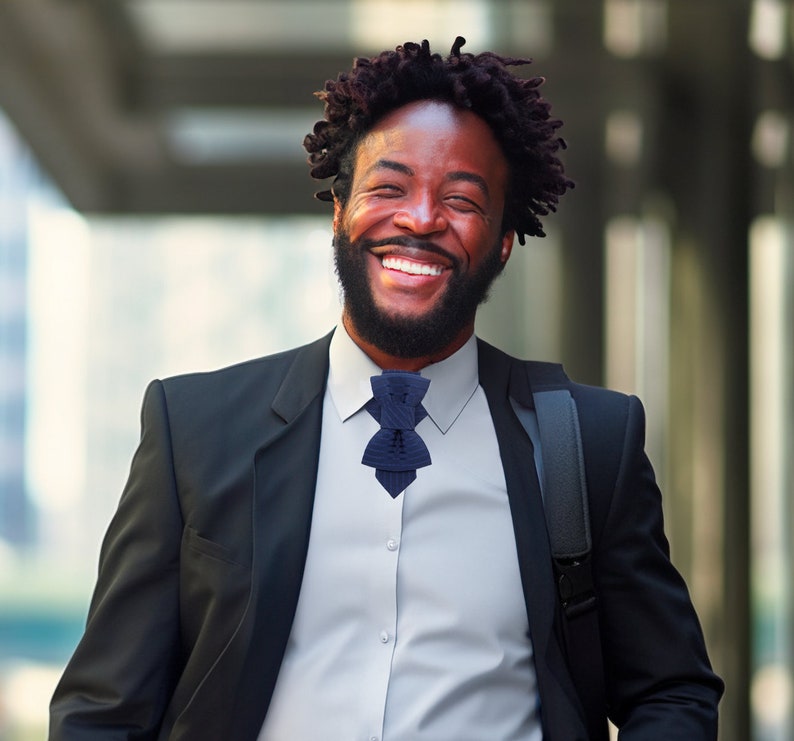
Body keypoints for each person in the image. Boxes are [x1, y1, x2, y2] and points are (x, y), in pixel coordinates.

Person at [49, 38, 723, 740]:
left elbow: (672, 690)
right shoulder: (191, 429)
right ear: (339, 210)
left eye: (461, 199)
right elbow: (103, 711)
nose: (421, 218)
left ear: (502, 240)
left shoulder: (590, 443)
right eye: (389, 187)